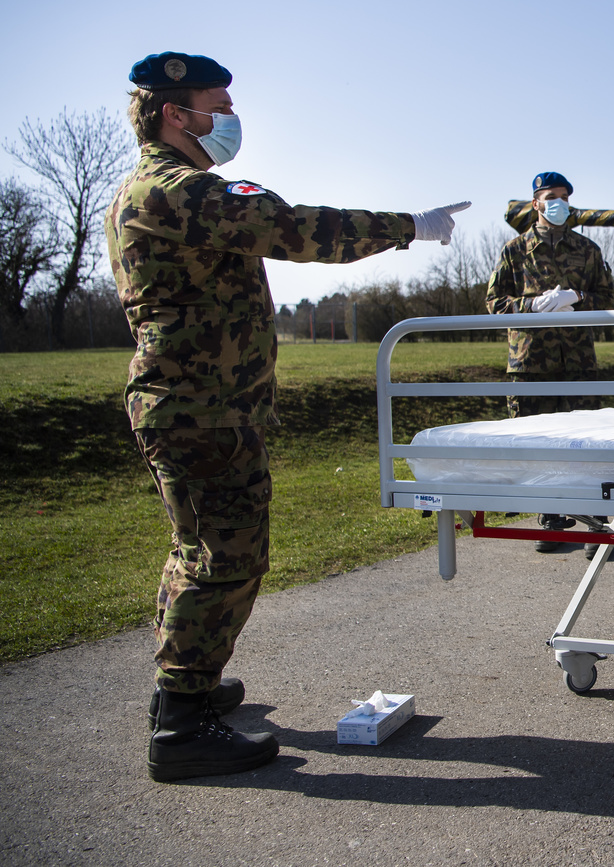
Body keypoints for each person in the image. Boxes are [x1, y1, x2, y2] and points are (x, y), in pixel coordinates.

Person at [106, 51, 470, 783]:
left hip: (195, 403)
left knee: (198, 549)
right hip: (200, 408)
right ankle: (182, 725)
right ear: (177, 113)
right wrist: (412, 226)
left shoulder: (152, 189)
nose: (230, 118)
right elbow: (298, 227)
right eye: (219, 105)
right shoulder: (179, 189)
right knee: (225, 557)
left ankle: (187, 686)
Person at [485, 172, 614, 553]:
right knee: (538, 442)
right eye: (551, 196)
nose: (559, 202)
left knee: (587, 442)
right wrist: (532, 305)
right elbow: (493, 304)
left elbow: (607, 299)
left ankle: (595, 520)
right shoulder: (514, 250)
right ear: (535, 203)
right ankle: (550, 517)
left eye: (565, 196)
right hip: (530, 363)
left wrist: (576, 298)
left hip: (577, 360)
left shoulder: (587, 249)